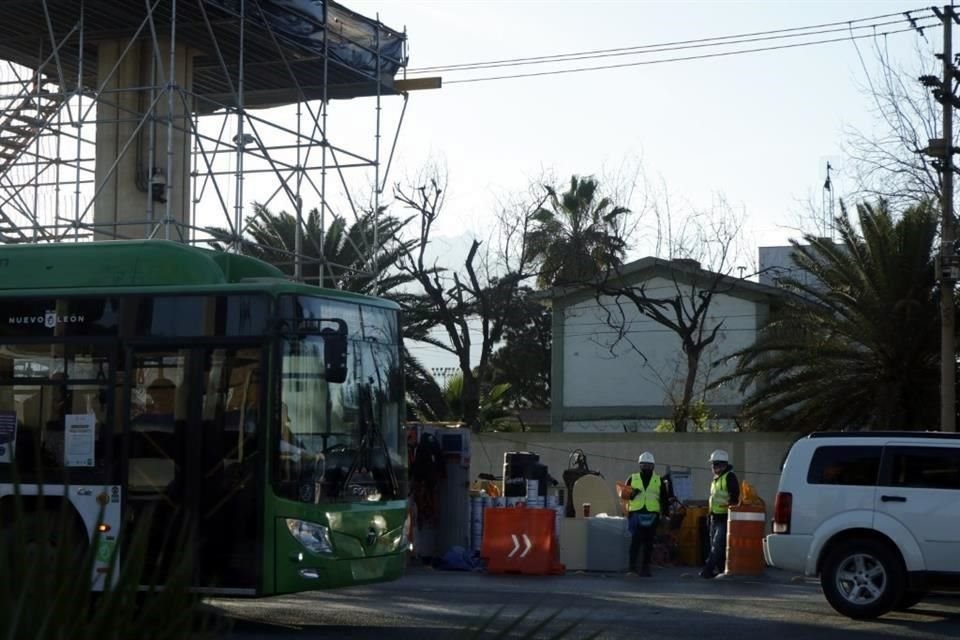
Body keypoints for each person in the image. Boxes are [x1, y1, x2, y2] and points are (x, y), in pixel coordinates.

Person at [625, 451, 668, 577]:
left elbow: (664, 499)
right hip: (636, 514)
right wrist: (632, 494)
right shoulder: (632, 478)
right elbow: (624, 496)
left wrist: (665, 514)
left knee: (649, 543)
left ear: (653, 466)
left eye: (649, 465)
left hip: (652, 515)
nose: (646, 467)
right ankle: (632, 567)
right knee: (635, 542)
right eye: (644, 465)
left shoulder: (658, 480)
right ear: (640, 465)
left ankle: (645, 567)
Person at [700, 449, 740, 579]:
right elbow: (714, 498)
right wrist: (709, 515)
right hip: (715, 516)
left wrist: (729, 505)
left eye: (714, 464)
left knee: (717, 545)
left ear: (720, 465)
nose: (712, 467)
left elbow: (734, 496)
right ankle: (721, 569)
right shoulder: (716, 479)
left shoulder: (729, 477)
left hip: (724, 516)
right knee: (715, 545)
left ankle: (708, 569)